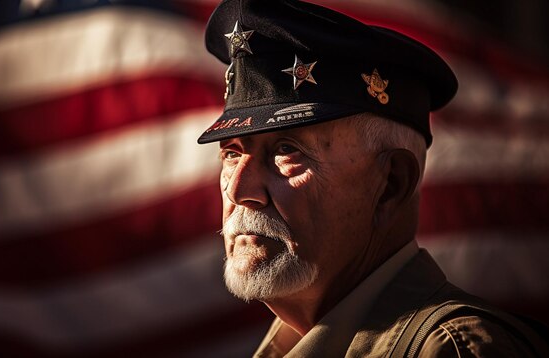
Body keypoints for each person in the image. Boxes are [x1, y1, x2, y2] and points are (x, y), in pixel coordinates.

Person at [197, 0, 549, 356]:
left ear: (391, 184)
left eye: (286, 150)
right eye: (232, 154)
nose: (241, 190)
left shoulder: (451, 350)